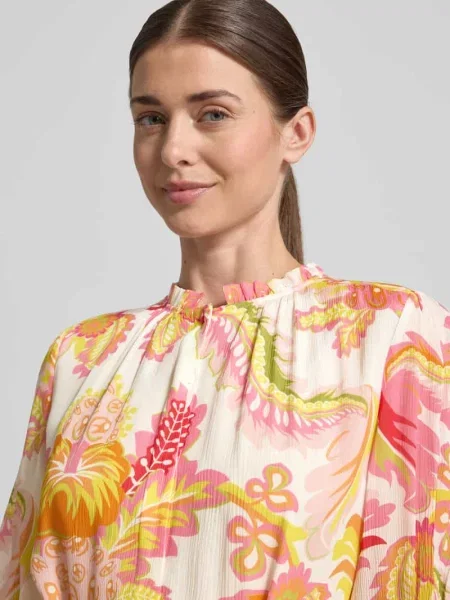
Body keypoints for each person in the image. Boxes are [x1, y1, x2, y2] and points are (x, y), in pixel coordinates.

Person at [1, 0, 449, 597]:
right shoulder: (81, 359)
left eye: (212, 114)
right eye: (151, 118)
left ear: (296, 133)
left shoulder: (393, 337)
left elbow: (415, 575)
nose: (173, 149)